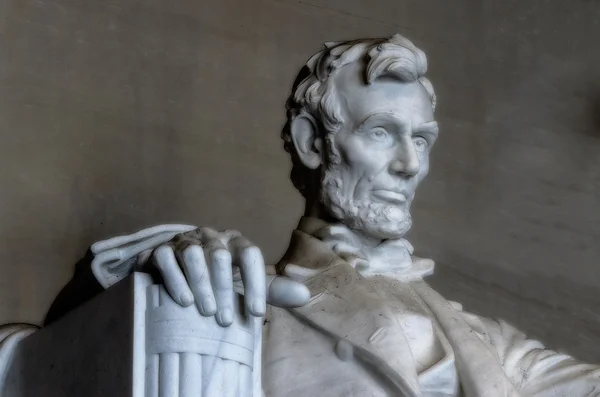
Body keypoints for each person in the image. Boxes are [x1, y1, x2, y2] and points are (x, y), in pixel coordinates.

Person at [4, 34, 600, 397]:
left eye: (423, 139)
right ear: (313, 142)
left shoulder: (491, 344)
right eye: (382, 133)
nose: (410, 164)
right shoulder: (235, 297)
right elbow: (26, 362)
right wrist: (139, 274)